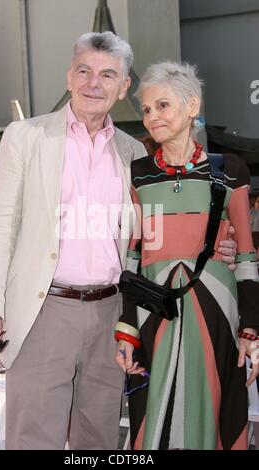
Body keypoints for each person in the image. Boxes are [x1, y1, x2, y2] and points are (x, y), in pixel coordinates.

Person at [0, 34, 236, 451]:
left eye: (107, 74)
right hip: (43, 312)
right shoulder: (26, 137)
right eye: (84, 71)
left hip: (112, 316)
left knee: (99, 440)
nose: (94, 83)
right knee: (33, 439)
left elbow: (157, 234)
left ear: (123, 87)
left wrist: (223, 246)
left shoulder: (134, 155)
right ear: (69, 77)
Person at [115, 61, 259, 450]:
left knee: (215, 406)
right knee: (152, 409)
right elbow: (132, 258)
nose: (152, 117)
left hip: (218, 311)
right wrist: (126, 330)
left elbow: (246, 257)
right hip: (152, 312)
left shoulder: (230, 171)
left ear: (192, 105)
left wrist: (250, 330)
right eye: (146, 109)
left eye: (163, 105)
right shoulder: (138, 175)